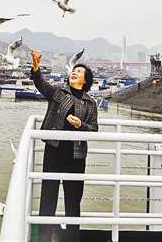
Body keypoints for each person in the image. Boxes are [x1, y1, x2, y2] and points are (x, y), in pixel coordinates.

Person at [30, 50, 98, 242]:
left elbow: (93, 129)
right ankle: (44, 237)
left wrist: (80, 125)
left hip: (76, 157)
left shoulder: (90, 103)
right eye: (73, 70)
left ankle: (71, 238)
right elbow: (41, 85)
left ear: (85, 80)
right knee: (48, 196)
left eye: (79, 71)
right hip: (53, 151)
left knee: (73, 200)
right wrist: (36, 66)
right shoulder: (59, 92)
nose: (74, 72)